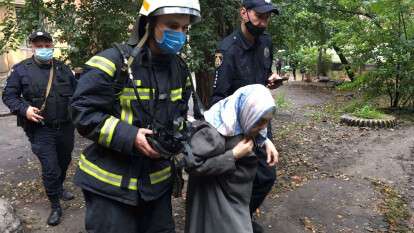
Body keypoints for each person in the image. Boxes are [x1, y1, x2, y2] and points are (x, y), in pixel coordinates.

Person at [70, 1, 201, 232]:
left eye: (184, 28)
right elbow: (82, 112)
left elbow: (179, 116)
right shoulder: (112, 62)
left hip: (156, 186)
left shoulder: (179, 69)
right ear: (148, 24)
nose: (179, 34)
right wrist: (130, 136)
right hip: (109, 185)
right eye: (172, 25)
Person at [210, 1, 281, 232]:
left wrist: (271, 80)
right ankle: (230, 222)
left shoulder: (266, 42)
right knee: (238, 177)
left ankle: (241, 216)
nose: (263, 23)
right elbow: (218, 98)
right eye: (259, 16)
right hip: (235, 127)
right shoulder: (227, 49)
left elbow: (262, 79)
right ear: (244, 13)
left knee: (266, 176)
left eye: (267, 18)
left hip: (260, 121)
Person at [2, 31, 76, 226]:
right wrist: (24, 109)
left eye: (46, 44)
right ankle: (55, 205)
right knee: (50, 168)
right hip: (40, 129)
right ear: (32, 47)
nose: (43, 48)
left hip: (66, 126)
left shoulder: (63, 68)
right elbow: (9, 96)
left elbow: (78, 93)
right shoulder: (20, 70)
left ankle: (59, 188)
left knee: (64, 161)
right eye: (38, 45)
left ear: (52, 45)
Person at [185, 84, 278, 233]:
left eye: (267, 121)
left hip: (234, 199)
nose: (264, 126)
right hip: (217, 203)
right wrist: (233, 155)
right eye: (260, 121)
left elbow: (253, 128)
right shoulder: (215, 132)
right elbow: (191, 164)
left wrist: (265, 141)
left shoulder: (241, 119)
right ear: (248, 112)